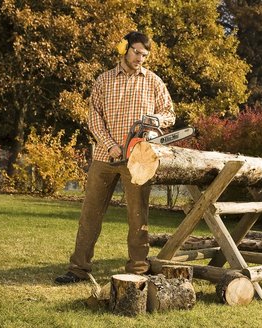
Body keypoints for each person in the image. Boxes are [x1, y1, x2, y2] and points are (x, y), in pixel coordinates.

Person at [55, 31, 175, 284]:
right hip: (103, 157)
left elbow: (169, 114)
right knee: (90, 214)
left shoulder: (153, 81)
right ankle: (78, 269)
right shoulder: (104, 80)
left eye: (144, 55)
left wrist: (157, 120)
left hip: (138, 161)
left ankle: (138, 270)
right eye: (136, 52)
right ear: (124, 48)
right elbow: (94, 118)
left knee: (138, 216)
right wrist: (110, 145)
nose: (140, 58)